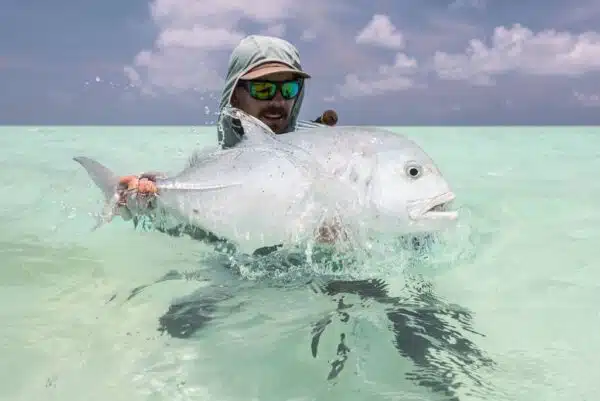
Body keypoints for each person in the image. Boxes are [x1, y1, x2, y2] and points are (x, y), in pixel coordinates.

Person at [116, 35, 340, 252]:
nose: (278, 101)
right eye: (263, 89)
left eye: (289, 89)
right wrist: (146, 202)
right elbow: (189, 230)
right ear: (235, 95)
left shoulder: (321, 157)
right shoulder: (206, 162)